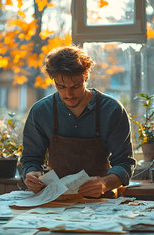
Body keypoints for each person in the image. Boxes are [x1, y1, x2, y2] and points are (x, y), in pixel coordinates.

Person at [21, 45, 136, 198]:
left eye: (75, 86)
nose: (68, 94)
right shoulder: (41, 111)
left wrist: (105, 183)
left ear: (86, 76)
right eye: (61, 86)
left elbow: (124, 163)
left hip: (100, 201)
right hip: (56, 200)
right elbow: (30, 159)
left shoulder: (112, 110)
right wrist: (32, 174)